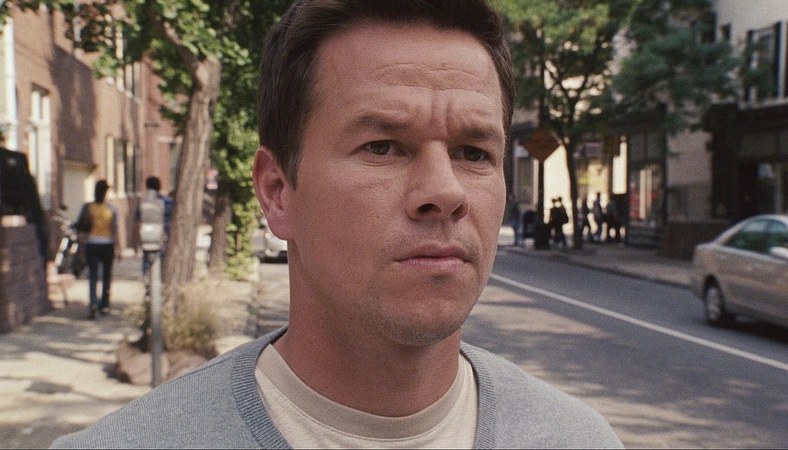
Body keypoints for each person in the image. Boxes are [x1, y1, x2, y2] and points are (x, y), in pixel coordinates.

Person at [52, 1, 622, 448]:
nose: (445, 192)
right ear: (277, 192)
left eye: (474, 153)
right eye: (383, 146)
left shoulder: (580, 440)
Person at [77, 180, 119, 319]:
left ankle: (93, 303)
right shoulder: (111, 209)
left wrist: (81, 244)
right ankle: (104, 304)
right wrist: (118, 249)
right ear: (105, 193)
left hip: (92, 244)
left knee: (93, 275)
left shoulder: (87, 207)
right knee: (106, 275)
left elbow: (81, 227)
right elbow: (114, 231)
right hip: (107, 244)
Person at [137, 176, 173, 278]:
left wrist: (137, 242)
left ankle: (146, 278)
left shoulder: (143, 204)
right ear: (159, 187)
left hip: (147, 237)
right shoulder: (168, 202)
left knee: (146, 261)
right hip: (163, 238)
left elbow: (138, 222)